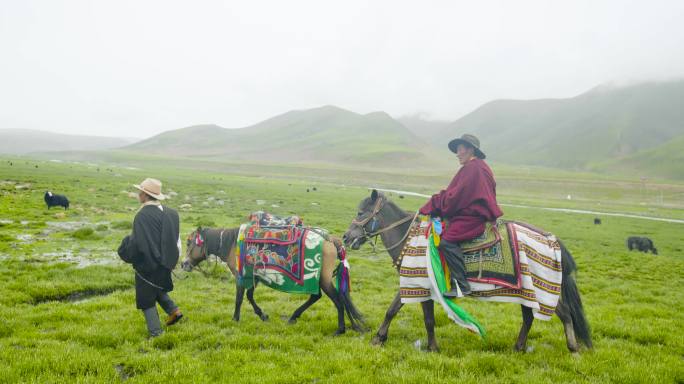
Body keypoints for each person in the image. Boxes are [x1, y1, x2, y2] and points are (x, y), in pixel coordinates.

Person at [419, 134, 503, 297]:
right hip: (472, 214)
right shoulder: (478, 166)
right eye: (457, 150)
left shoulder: (473, 168)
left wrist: (433, 205)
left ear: (471, 150)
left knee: (447, 242)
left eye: (460, 150)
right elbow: (456, 195)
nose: (457, 154)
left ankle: (462, 285)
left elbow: (455, 197)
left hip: (473, 218)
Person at [118, 178, 183, 337]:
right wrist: (172, 261)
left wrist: (125, 251)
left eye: (140, 191)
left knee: (146, 298)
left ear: (145, 195)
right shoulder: (172, 214)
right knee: (156, 287)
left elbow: (138, 244)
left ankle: (156, 334)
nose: (138, 194)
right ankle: (174, 311)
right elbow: (177, 241)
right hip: (167, 262)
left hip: (148, 264)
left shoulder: (141, 215)